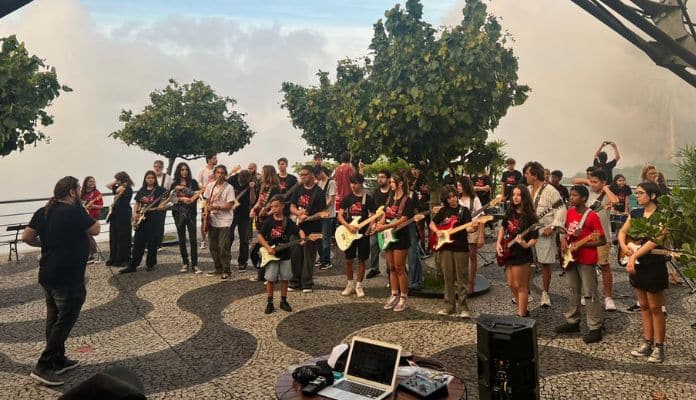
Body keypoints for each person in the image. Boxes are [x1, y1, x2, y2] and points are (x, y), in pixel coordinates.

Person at [23, 176, 101, 386]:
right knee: (64, 320)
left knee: (54, 317)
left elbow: (27, 237)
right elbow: (95, 229)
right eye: (78, 189)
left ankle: (58, 359)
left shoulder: (44, 211)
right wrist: (84, 209)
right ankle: (44, 365)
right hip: (69, 276)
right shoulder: (75, 211)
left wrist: (47, 245)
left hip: (48, 273)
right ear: (72, 192)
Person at [619, 182, 668, 362]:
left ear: (652, 195)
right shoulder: (635, 213)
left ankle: (659, 346)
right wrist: (624, 247)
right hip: (638, 263)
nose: (637, 196)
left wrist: (633, 256)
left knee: (656, 307)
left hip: (654, 263)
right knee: (644, 305)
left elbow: (655, 239)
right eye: (636, 193)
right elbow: (623, 232)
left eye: (640, 193)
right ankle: (647, 342)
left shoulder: (662, 215)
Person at [555, 185, 606, 344]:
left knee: (590, 293)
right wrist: (564, 240)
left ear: (584, 198)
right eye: (571, 195)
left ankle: (595, 327)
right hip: (571, 257)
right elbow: (566, 231)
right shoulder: (570, 212)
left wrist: (583, 245)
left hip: (586, 260)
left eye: (575, 195)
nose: (571, 198)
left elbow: (602, 239)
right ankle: (573, 321)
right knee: (573, 290)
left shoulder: (592, 216)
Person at [572, 169, 619, 311]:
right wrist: (589, 181)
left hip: (602, 236)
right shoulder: (587, 192)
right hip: (585, 236)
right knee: (585, 266)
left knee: (604, 265)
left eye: (595, 182)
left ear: (604, 182)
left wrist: (605, 188)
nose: (592, 184)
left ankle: (608, 297)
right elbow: (574, 181)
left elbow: (615, 201)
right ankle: (588, 293)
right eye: (591, 181)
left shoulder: (606, 194)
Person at [524, 161, 566, 307]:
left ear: (535, 175)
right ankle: (526, 292)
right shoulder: (527, 190)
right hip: (528, 232)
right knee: (527, 262)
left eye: (527, 173)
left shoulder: (550, 190)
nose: (525, 176)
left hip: (545, 232)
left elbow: (561, 209)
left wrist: (553, 226)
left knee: (545, 264)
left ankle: (545, 293)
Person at [430, 185, 475, 318]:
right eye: (449, 197)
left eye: (454, 196)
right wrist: (437, 231)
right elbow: (432, 223)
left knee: (462, 277)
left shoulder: (464, 211)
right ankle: (449, 306)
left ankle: (463, 307)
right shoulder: (443, 211)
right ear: (445, 199)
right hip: (445, 248)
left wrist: (471, 229)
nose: (453, 199)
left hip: (461, 247)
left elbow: (468, 227)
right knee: (447, 277)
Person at [496, 184, 539, 318]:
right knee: (511, 284)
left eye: (519, 195)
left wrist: (525, 244)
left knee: (520, 285)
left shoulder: (530, 216)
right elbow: (503, 227)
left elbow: (534, 238)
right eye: (514, 194)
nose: (515, 197)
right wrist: (498, 242)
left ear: (524, 197)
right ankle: (523, 308)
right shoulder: (510, 212)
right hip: (509, 250)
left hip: (522, 254)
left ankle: (521, 315)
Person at [258, 195, 304, 314]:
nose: (274, 208)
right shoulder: (268, 221)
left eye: (276, 206)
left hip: (285, 254)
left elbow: (298, 230)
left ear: (283, 206)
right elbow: (259, 236)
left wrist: (303, 238)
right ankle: (270, 302)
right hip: (271, 255)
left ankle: (283, 300)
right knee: (270, 278)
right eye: (272, 206)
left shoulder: (288, 221)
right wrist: (268, 248)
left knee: (285, 278)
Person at [375, 171, 414, 312]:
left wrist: (385, 226)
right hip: (388, 236)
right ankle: (394, 293)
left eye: (392, 182)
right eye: (390, 182)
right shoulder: (390, 199)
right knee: (391, 267)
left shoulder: (407, 200)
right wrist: (379, 224)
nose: (390, 184)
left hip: (401, 236)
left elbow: (403, 219)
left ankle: (404, 297)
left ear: (400, 183)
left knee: (399, 267)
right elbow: (385, 213)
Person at [119, 171, 167, 274]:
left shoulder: (160, 190)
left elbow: (167, 198)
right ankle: (133, 265)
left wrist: (162, 205)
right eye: (148, 178)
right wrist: (135, 214)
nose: (150, 179)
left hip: (154, 219)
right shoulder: (142, 190)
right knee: (138, 242)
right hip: (142, 219)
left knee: (152, 243)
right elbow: (137, 203)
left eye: (152, 178)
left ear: (155, 179)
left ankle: (150, 264)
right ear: (145, 179)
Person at [337, 174, 376, 298]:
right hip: (349, 233)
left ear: (361, 183)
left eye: (355, 183)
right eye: (351, 183)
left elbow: (374, 216)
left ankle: (359, 285)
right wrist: (347, 226)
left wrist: (370, 228)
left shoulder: (368, 199)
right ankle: (349, 284)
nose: (352, 186)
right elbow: (340, 215)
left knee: (362, 260)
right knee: (348, 260)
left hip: (363, 234)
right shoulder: (348, 198)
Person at [289, 165, 327, 292]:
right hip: (297, 227)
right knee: (295, 254)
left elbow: (322, 213)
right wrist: (298, 214)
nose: (302, 177)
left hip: (312, 228)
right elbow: (292, 206)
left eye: (305, 174)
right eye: (301, 175)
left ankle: (307, 283)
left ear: (311, 175)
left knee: (309, 256)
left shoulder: (319, 192)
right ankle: (295, 281)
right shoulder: (298, 189)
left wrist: (308, 218)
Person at [203, 165, 236, 280]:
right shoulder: (210, 186)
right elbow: (206, 201)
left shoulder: (229, 188)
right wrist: (206, 211)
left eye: (222, 173)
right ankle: (218, 268)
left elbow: (230, 205)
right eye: (218, 172)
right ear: (214, 174)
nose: (220, 175)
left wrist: (216, 207)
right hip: (212, 219)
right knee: (213, 246)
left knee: (223, 246)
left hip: (225, 220)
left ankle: (226, 270)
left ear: (225, 174)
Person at [250, 165, 282, 281]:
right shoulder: (264, 186)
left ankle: (266, 274)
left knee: (265, 246)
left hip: (270, 220)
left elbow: (276, 206)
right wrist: (254, 209)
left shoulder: (275, 188)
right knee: (261, 247)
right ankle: (263, 274)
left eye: (263, 173)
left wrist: (266, 212)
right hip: (261, 219)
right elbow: (259, 201)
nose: (261, 174)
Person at [457, 176, 485, 293]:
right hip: (460, 231)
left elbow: (482, 217)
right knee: (460, 256)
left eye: (460, 185)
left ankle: (471, 281)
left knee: (472, 256)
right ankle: (461, 280)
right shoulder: (456, 199)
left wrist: (481, 236)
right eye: (457, 185)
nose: (458, 188)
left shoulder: (475, 200)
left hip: (473, 230)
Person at [171, 162, 200, 273]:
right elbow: (172, 199)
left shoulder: (193, 183)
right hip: (178, 214)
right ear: (179, 171)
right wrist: (181, 199)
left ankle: (195, 264)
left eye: (186, 169)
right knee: (181, 239)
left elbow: (198, 195)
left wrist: (191, 198)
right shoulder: (174, 184)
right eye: (182, 169)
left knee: (193, 239)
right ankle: (185, 263)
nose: (184, 171)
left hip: (191, 213)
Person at [366, 169, 392, 279]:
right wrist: (372, 224)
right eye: (378, 177)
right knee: (373, 245)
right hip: (376, 223)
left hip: (389, 224)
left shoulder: (392, 192)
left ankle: (389, 269)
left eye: (382, 177)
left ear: (388, 179)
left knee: (388, 247)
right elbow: (371, 210)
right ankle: (374, 268)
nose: (379, 179)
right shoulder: (375, 192)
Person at [105, 172, 134, 267]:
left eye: (118, 179)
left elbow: (121, 196)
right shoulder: (119, 187)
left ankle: (122, 258)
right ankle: (113, 257)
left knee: (123, 236)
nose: (116, 181)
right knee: (114, 235)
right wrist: (116, 181)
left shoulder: (128, 189)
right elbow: (108, 185)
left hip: (124, 214)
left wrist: (121, 187)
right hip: (115, 214)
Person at [228, 169, 255, 271]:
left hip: (244, 213)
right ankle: (226, 258)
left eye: (244, 182)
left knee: (244, 238)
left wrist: (252, 189)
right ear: (238, 177)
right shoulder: (232, 180)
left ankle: (242, 261)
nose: (242, 184)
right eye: (241, 181)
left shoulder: (250, 183)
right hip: (231, 212)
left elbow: (252, 200)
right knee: (229, 236)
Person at [316, 166, 336, 270]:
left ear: (321, 172)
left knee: (326, 239)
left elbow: (331, 199)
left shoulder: (331, 182)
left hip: (328, 215)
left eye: (317, 175)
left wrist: (322, 207)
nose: (316, 177)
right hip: (320, 214)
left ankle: (327, 261)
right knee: (319, 237)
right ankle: (322, 257)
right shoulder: (319, 183)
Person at [80, 176, 104, 263]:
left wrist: (93, 206)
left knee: (88, 235)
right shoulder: (81, 193)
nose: (92, 183)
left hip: (93, 216)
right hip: (83, 216)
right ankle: (90, 254)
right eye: (90, 181)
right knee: (84, 236)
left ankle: (96, 256)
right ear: (86, 182)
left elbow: (101, 206)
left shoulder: (97, 193)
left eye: (93, 181)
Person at [197, 153, 218, 249]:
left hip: (216, 197)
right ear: (209, 160)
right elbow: (198, 182)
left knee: (216, 218)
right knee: (204, 219)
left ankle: (214, 240)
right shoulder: (202, 170)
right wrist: (203, 187)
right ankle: (203, 240)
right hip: (205, 198)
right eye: (214, 158)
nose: (216, 160)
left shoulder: (218, 170)